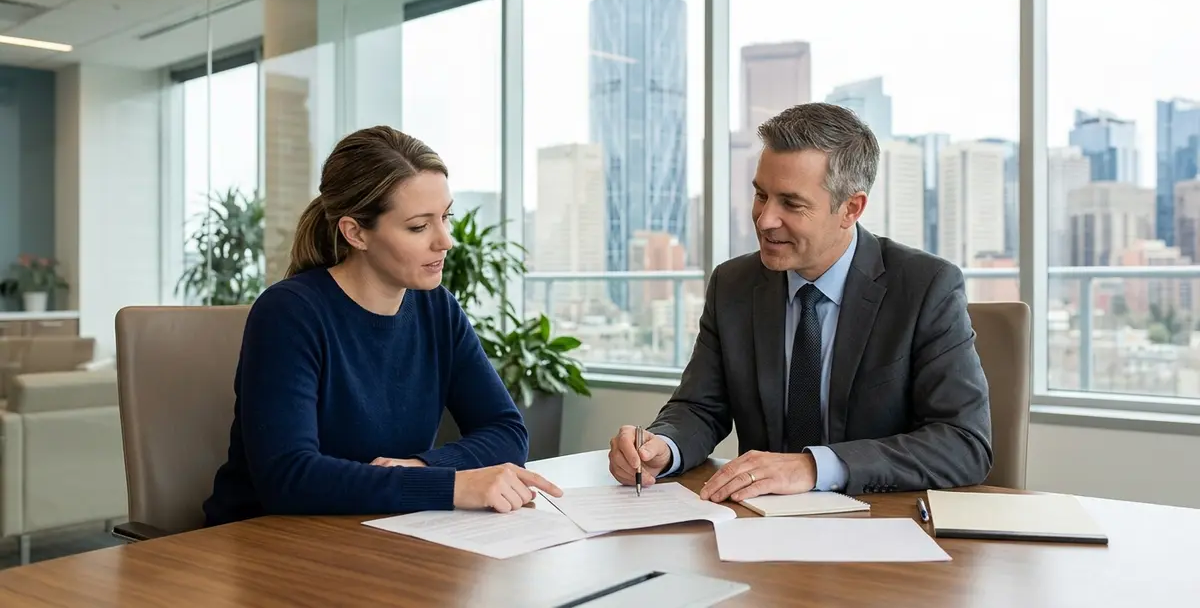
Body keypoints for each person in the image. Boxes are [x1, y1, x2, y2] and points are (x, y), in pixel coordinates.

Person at [608, 103, 992, 503]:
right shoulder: (734, 284)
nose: (765, 219)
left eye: (791, 203)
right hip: (756, 527)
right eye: (761, 195)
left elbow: (964, 443)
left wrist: (813, 466)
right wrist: (662, 447)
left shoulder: (925, 287)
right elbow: (700, 407)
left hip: (879, 528)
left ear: (850, 209)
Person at [203, 126, 561, 526]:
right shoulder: (290, 312)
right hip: (264, 544)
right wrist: (450, 485)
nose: (446, 241)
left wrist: (421, 467)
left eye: (446, 217)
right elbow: (289, 476)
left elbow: (507, 432)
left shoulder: (437, 308)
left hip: (377, 531)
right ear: (355, 232)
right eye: (418, 226)